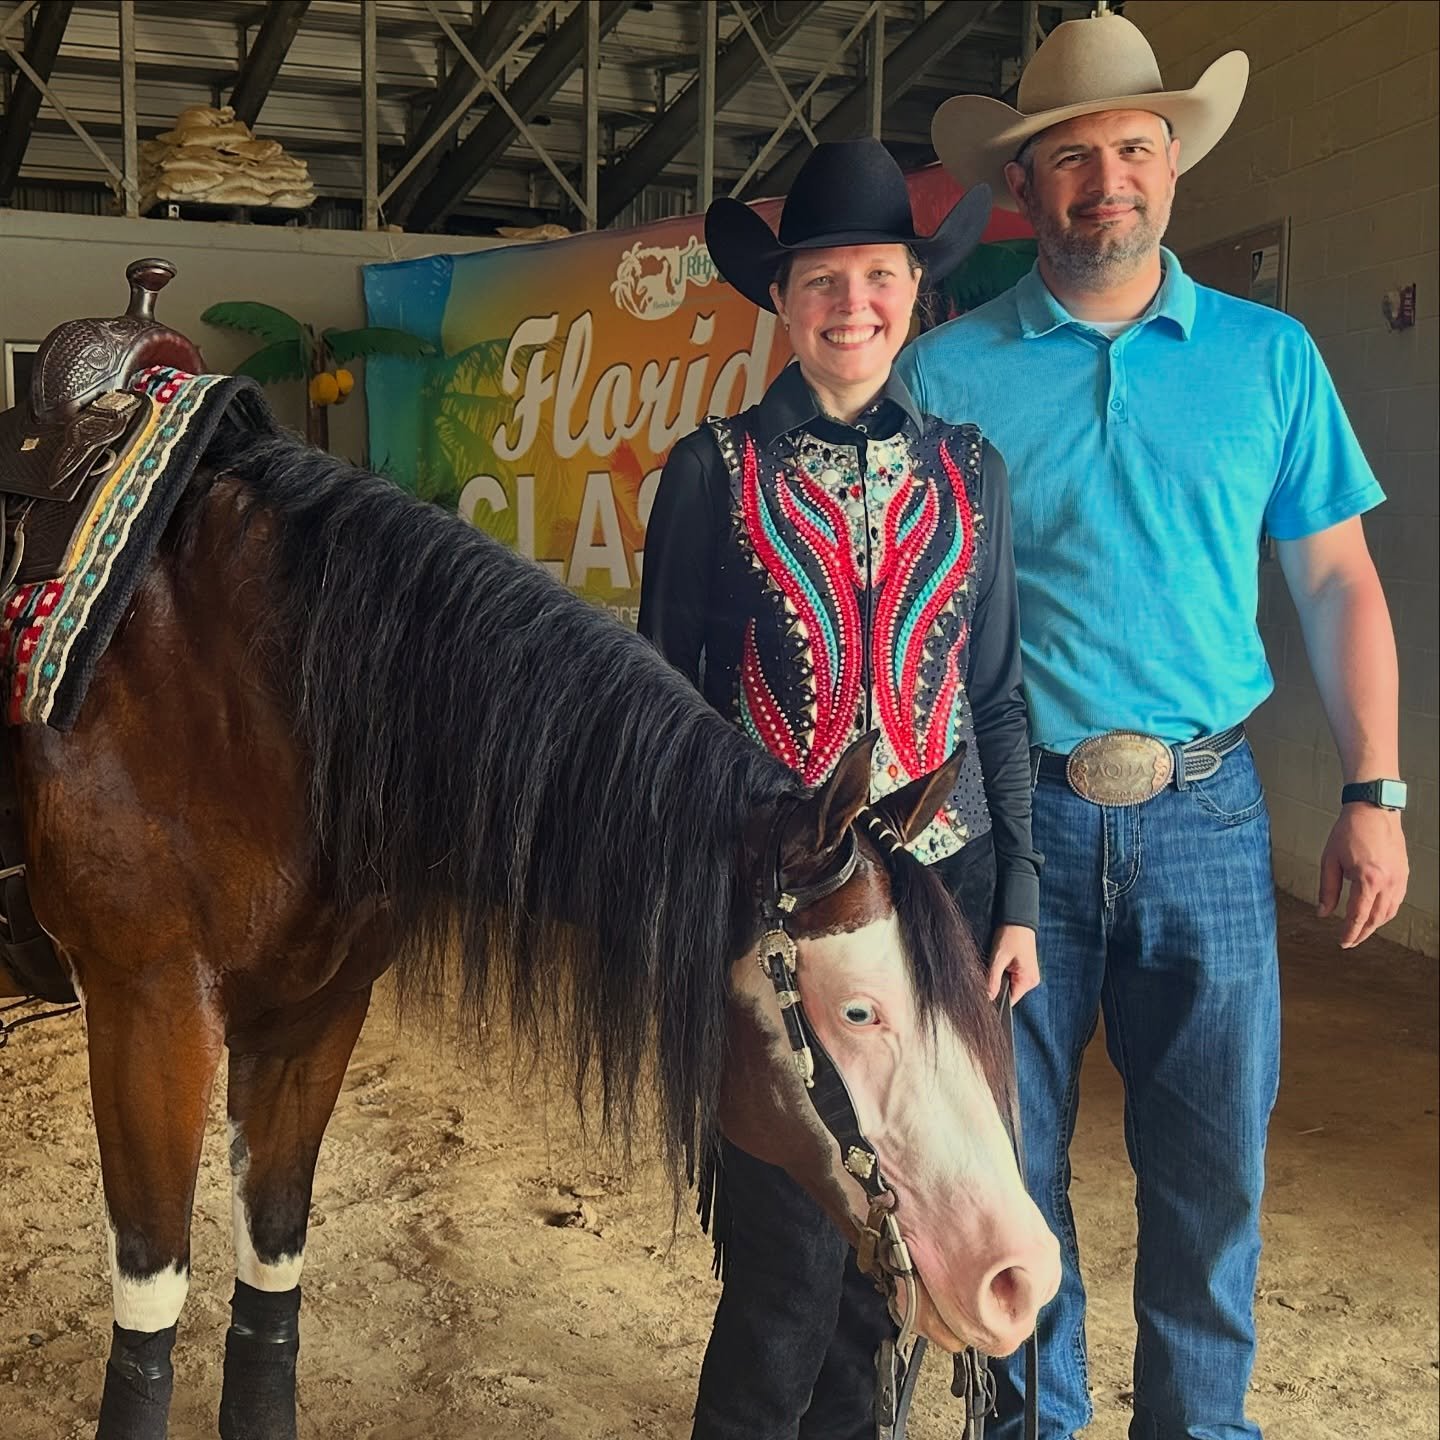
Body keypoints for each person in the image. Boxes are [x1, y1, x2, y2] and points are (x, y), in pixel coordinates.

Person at [897, 15, 1410, 1440]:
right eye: (1071, 158)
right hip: (1012, 828)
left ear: (1174, 164)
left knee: (1213, 1176)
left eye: (1132, 148)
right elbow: (913, 627)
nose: (1104, 180)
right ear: (1024, 187)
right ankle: (1028, 1427)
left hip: (1206, 816)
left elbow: (1336, 580)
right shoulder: (949, 381)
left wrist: (1376, 791)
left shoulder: (1270, 358)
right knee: (1009, 1164)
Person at [638, 137, 1041, 1439]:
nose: (851, 304)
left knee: (901, 1254)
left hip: (943, 913)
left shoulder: (970, 475)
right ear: (782, 299)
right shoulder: (712, 473)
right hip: (782, 923)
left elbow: (995, 700)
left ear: (916, 290)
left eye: (878, 275)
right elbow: (672, 710)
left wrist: (1019, 896)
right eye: (822, 280)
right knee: (783, 1272)